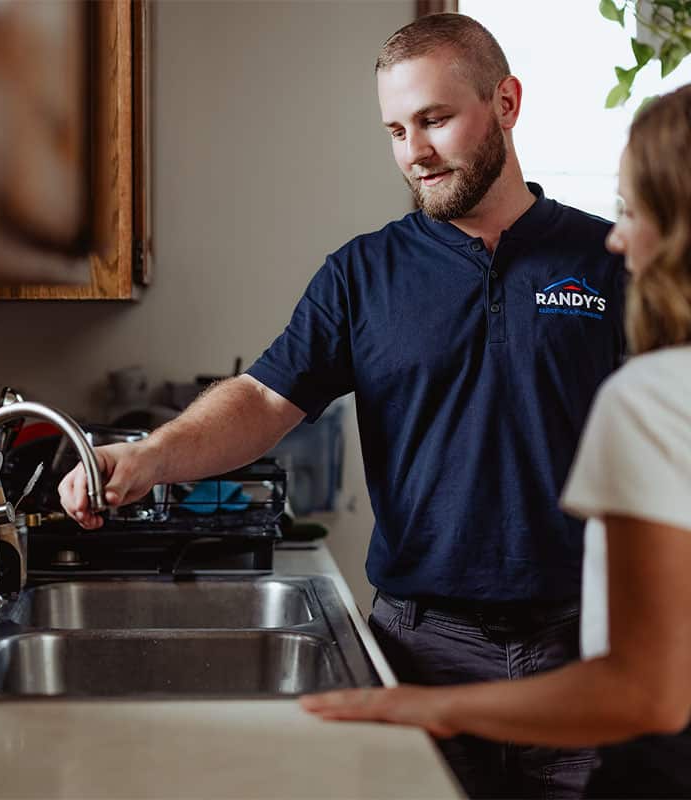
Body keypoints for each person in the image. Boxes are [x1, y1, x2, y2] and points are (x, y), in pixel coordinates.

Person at [59, 13, 625, 798]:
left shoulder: (609, 260)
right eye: (396, 129)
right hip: (419, 649)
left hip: (586, 645)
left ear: (506, 103)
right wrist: (146, 459)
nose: (413, 152)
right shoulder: (363, 275)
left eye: (434, 119)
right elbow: (262, 399)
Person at [300, 84, 691, 798]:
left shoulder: (652, 396)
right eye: (396, 128)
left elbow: (644, 690)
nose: (615, 235)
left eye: (632, 210)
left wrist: (427, 706)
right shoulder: (362, 271)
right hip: (428, 630)